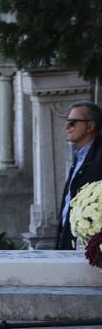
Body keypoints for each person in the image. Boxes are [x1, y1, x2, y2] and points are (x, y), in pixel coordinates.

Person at [57, 100, 102, 250]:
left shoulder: (98, 158)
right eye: (67, 121)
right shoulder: (79, 156)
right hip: (68, 239)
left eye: (73, 122)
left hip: (88, 246)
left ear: (90, 126)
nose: (67, 127)